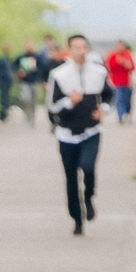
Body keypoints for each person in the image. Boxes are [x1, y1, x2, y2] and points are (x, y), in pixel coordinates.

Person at [46, 33, 112, 236]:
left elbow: (110, 96)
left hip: (91, 130)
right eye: (76, 47)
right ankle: (77, 218)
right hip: (67, 133)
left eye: (84, 47)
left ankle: (90, 196)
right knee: (71, 177)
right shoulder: (59, 74)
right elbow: (52, 106)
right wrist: (69, 102)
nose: (80, 51)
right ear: (69, 49)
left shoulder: (99, 72)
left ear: (88, 49)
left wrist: (104, 109)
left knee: (88, 166)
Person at [12, 43, 48, 125]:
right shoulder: (21, 57)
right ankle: (27, 114)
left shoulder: (37, 57)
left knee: (33, 101)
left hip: (34, 81)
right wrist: (18, 73)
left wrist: (36, 71)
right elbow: (13, 66)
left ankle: (32, 117)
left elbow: (42, 68)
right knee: (25, 99)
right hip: (24, 82)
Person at [105, 41, 136, 124]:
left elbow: (132, 67)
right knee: (119, 99)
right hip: (116, 82)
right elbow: (109, 68)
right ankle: (121, 116)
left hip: (127, 82)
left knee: (127, 100)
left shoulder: (128, 55)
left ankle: (127, 114)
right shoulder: (113, 55)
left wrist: (125, 63)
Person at [0, 43, 18, 123]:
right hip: (2, 81)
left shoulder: (10, 59)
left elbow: (13, 69)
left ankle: (5, 112)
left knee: (6, 96)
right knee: (3, 97)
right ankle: (2, 113)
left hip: (9, 81)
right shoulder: (1, 59)